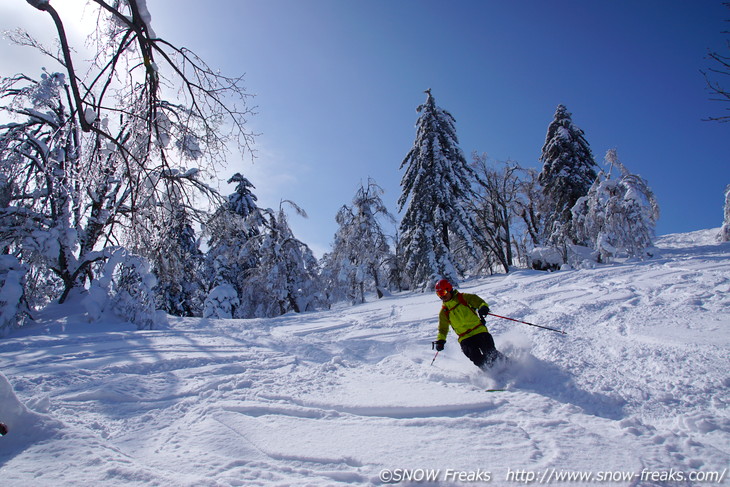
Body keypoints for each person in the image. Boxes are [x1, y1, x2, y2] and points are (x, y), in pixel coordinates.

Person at [432, 279, 505, 369]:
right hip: (465, 338)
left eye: (443, 292)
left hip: (479, 331)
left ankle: (508, 364)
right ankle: (492, 373)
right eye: (439, 294)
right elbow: (442, 329)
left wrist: (483, 307)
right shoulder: (444, 312)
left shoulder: (464, 298)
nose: (442, 296)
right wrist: (440, 341)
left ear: (449, 289)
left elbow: (480, 302)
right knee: (476, 358)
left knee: (490, 353)